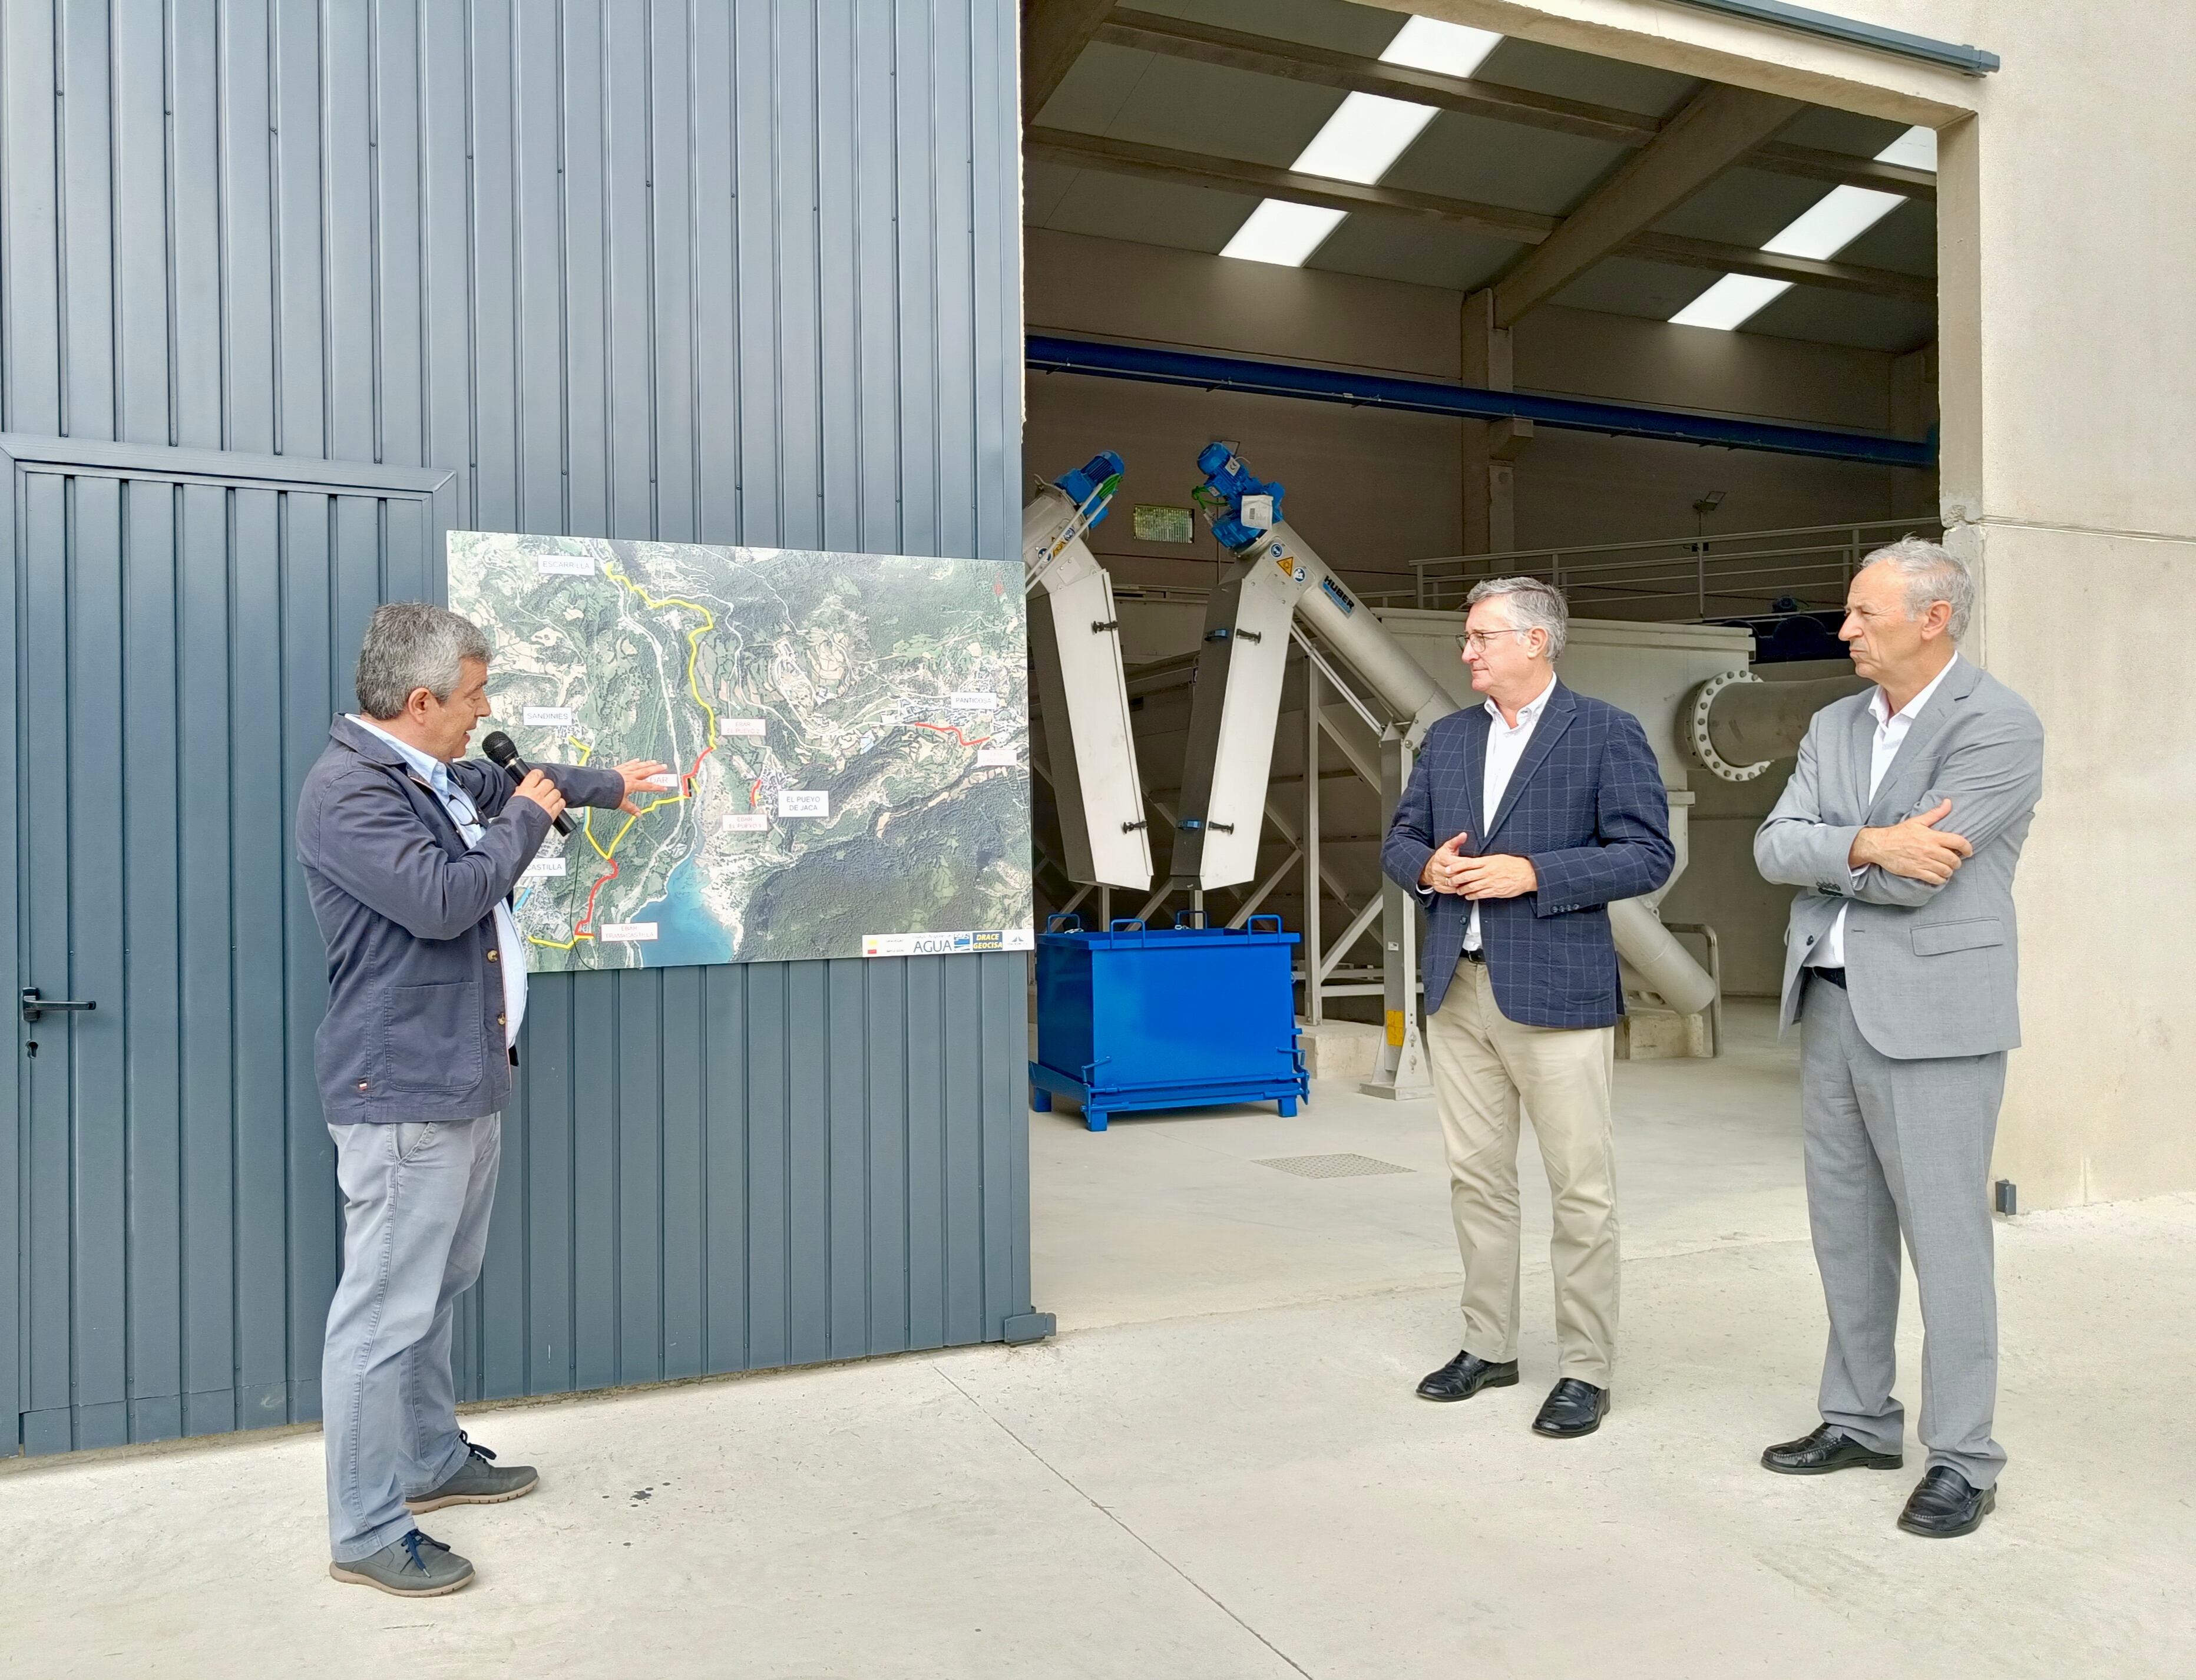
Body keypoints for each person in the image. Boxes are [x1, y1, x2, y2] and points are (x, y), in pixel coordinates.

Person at [296, 603, 667, 1595]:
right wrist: (535, 820)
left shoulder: (431, 772)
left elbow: (513, 779)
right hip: (405, 1094)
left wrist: (607, 786)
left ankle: (426, 1460)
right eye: (473, 695)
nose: (484, 711)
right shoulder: (349, 794)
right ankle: (368, 1527)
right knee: (382, 1314)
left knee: (438, 1288)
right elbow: (446, 898)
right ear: (420, 702)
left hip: (462, 1078)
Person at [1754, 537, 2043, 1539]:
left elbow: (1932, 871)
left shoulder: (1997, 725)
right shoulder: (1835, 722)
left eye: (1863, 616)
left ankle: (1964, 1455)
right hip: (1830, 1000)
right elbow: (1769, 845)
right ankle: (1859, 1420)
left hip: (1934, 1013)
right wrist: (1869, 842)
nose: (1844, 632)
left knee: (1947, 1240)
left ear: (1933, 618)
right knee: (1845, 1229)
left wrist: (1837, 852)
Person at [1381, 577, 1673, 1438]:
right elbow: (1401, 839)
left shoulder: (1606, 733)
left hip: (1556, 992)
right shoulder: (1448, 738)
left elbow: (1647, 855)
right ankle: (1489, 1345)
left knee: (1581, 1189)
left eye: (1481, 637)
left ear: (1536, 642)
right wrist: (1427, 869)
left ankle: (1586, 1368)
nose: (1466, 650)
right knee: (1477, 1179)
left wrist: (1535, 873)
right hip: (1458, 989)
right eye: (1469, 637)